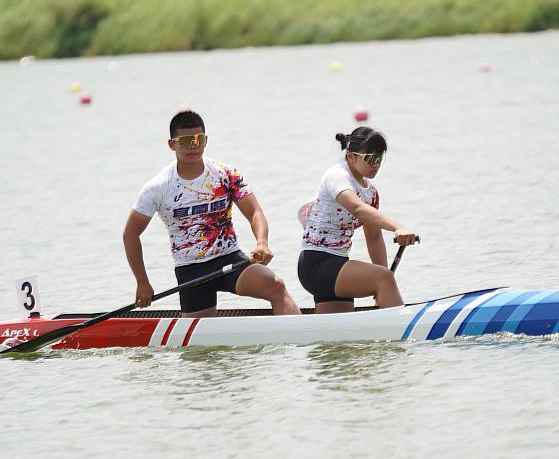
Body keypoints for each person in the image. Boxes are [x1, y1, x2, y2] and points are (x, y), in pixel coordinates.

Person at [124, 110, 300, 317]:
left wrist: (262, 242)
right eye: (186, 140)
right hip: (191, 270)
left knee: (276, 285)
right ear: (172, 144)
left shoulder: (225, 174)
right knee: (199, 349)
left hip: (230, 259)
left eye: (198, 139)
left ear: (206, 140)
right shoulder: (158, 187)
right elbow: (130, 234)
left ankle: (299, 340)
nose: (193, 145)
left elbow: (255, 212)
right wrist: (142, 282)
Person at [298, 126, 419, 314]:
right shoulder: (337, 176)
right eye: (370, 158)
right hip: (316, 264)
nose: (375, 164)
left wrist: (382, 288)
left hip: (338, 266)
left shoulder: (371, 193)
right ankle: (402, 333)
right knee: (383, 278)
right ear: (350, 156)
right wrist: (398, 228)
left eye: (379, 159)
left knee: (338, 337)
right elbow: (358, 209)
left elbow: (374, 238)